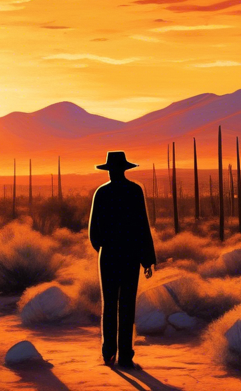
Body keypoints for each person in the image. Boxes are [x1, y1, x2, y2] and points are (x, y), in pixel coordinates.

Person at [88, 151, 156, 369]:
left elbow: (93, 231)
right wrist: (146, 258)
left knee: (109, 305)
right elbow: (142, 226)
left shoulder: (102, 193)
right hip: (130, 255)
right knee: (127, 305)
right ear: (124, 168)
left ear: (109, 170)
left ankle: (109, 353)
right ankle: (125, 355)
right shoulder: (134, 191)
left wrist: (103, 248)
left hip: (108, 256)